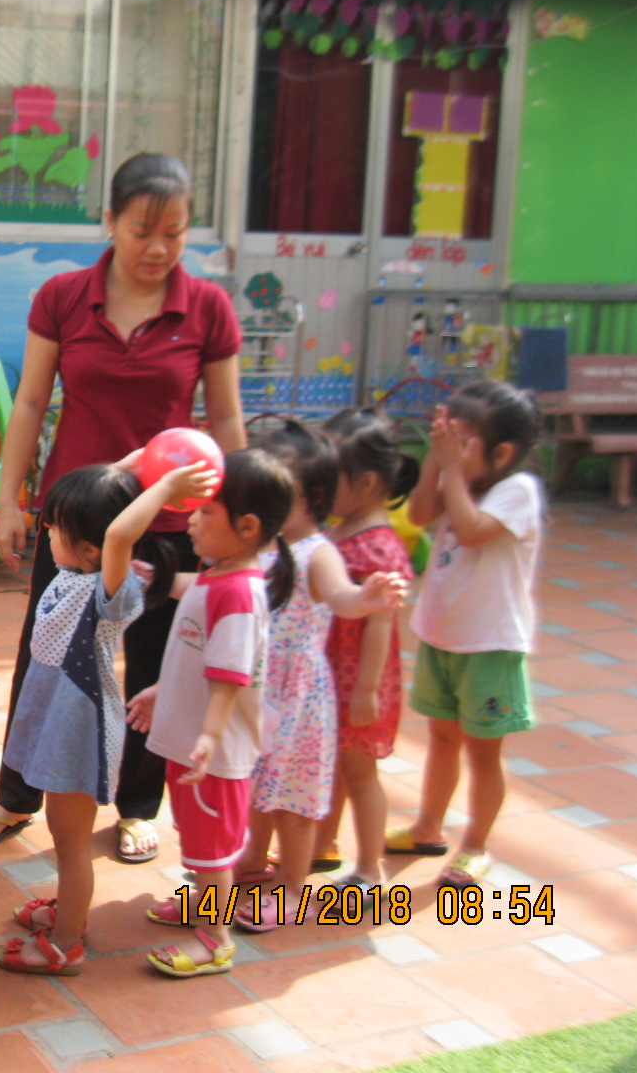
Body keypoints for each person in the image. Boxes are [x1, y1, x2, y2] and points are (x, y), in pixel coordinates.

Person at [0, 153, 244, 862]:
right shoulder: (64, 297)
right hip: (77, 521)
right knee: (45, 656)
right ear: (110, 220)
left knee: (155, 666)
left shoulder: (207, 307)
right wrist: (10, 500)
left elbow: (227, 421)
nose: (158, 248)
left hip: (170, 521)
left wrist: (235, 523)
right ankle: (16, 795)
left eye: (174, 234)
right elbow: (31, 401)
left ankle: (138, 807)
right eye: (143, 230)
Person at [0, 458, 215, 976]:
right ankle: (67, 910)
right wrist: (138, 464)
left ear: (91, 548)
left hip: (78, 735)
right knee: (62, 836)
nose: (47, 533)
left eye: (55, 527)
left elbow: (118, 534)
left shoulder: (111, 589)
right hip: (56, 727)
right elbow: (111, 522)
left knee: (71, 844)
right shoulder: (75, 573)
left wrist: (165, 484)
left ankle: (66, 942)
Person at [232, 422, 407, 929]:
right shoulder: (270, 545)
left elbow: (345, 600)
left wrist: (367, 599)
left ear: (311, 497)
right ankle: (252, 859)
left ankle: (299, 887)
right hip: (267, 689)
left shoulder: (321, 551)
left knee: (297, 796)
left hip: (308, 692)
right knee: (260, 783)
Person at [129, 449, 291, 978]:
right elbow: (195, 648)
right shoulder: (217, 575)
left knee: (214, 851)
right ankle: (202, 903)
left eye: (204, 512)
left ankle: (215, 940)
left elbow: (230, 675)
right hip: (196, 741)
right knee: (198, 836)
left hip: (214, 755)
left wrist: (209, 737)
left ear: (247, 526)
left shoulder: (240, 593)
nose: (191, 521)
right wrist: (162, 690)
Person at [390, 381, 543, 889]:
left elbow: (473, 531)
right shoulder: (462, 479)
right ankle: (427, 827)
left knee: (482, 752)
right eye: (447, 438)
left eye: (463, 442)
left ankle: (475, 845)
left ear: (502, 453)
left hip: (490, 647)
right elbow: (419, 516)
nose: (452, 450)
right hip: (443, 637)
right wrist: (437, 463)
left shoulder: (517, 491)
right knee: (440, 739)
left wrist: (451, 469)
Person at [315, 409, 420, 889]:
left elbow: (381, 622)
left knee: (359, 774)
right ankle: (322, 844)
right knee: (335, 764)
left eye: (329, 476)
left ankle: (369, 870)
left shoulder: (378, 546)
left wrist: (367, 689)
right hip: (333, 670)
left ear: (366, 483)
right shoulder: (341, 528)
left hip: (356, 677)